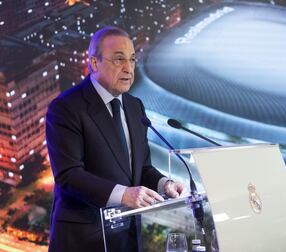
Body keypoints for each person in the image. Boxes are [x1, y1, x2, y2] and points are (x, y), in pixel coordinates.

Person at [46, 26, 185, 252]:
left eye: (131, 59)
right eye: (119, 59)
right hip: (83, 239)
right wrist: (124, 195)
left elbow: (142, 168)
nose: (128, 68)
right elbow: (69, 175)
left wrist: (164, 184)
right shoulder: (66, 108)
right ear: (94, 62)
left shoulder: (134, 106)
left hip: (127, 237)